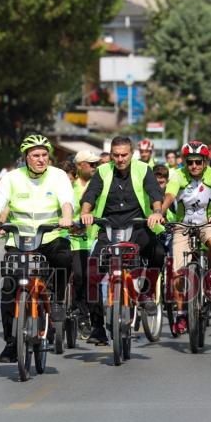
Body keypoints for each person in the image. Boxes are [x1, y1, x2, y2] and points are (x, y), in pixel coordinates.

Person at [0, 134, 74, 361]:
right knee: (8, 288)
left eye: (45, 155)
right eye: (36, 155)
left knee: (65, 258)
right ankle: (11, 343)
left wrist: (66, 217)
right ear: (26, 157)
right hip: (19, 241)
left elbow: (67, 201)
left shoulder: (58, 176)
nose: (41, 159)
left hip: (50, 237)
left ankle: (56, 301)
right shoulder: (12, 178)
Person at [80, 136, 165, 345]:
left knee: (158, 252)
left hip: (138, 227)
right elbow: (90, 195)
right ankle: (98, 328)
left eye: (124, 155)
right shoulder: (102, 171)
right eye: (115, 155)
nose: (120, 159)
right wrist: (85, 213)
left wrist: (156, 212)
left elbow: (155, 192)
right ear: (110, 155)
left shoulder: (143, 169)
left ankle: (146, 294)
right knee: (91, 274)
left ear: (132, 153)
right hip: (108, 230)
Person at [161, 141, 211, 334]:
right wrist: (160, 212)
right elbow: (170, 196)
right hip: (183, 226)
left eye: (198, 162)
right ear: (185, 163)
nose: (194, 166)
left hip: (207, 223)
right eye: (190, 162)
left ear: (205, 161)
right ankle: (181, 313)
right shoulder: (178, 175)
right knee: (179, 272)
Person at [71, 150, 100, 339]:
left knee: (93, 280)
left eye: (97, 164)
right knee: (79, 277)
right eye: (92, 164)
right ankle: (81, 316)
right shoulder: (69, 187)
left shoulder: (99, 185)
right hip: (74, 239)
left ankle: (95, 317)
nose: (96, 168)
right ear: (81, 165)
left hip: (96, 237)